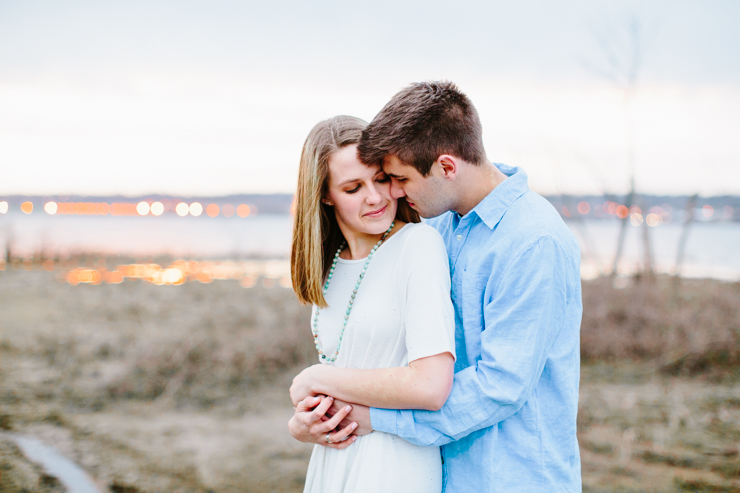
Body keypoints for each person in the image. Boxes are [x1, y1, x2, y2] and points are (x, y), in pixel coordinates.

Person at [291, 82, 583, 493]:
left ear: (446, 167)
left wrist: (374, 417)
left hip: (511, 477)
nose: (392, 193)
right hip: (438, 471)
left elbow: (499, 387)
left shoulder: (534, 242)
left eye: (398, 178)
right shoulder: (440, 223)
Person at [288, 115, 457, 493]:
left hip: (394, 463)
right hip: (335, 459)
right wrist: (302, 425)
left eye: (381, 179)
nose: (376, 197)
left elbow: (431, 386)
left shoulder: (418, 245)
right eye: (353, 187)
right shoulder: (331, 266)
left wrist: (316, 379)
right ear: (325, 193)